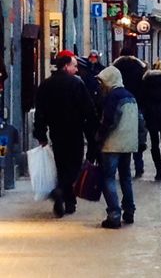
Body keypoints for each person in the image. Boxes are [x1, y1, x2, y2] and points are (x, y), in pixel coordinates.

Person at [33, 50, 98, 218]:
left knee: (61, 165)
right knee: (75, 166)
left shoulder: (46, 85)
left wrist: (40, 134)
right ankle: (61, 191)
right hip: (74, 131)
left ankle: (69, 201)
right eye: (75, 66)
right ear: (67, 66)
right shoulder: (76, 84)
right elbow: (88, 110)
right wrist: (92, 134)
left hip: (56, 132)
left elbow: (39, 112)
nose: (77, 70)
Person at [96, 66, 140, 229]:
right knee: (125, 177)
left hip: (112, 145)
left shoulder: (113, 97)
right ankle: (129, 211)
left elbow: (109, 120)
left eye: (103, 81)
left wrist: (99, 137)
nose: (101, 85)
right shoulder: (131, 96)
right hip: (128, 144)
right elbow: (139, 122)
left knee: (108, 178)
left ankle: (114, 214)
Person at [113, 47, 148, 177]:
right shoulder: (140, 68)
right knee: (138, 134)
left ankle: (121, 166)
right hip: (137, 104)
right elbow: (144, 89)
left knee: (120, 133)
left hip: (119, 104)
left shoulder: (115, 68)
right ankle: (139, 166)